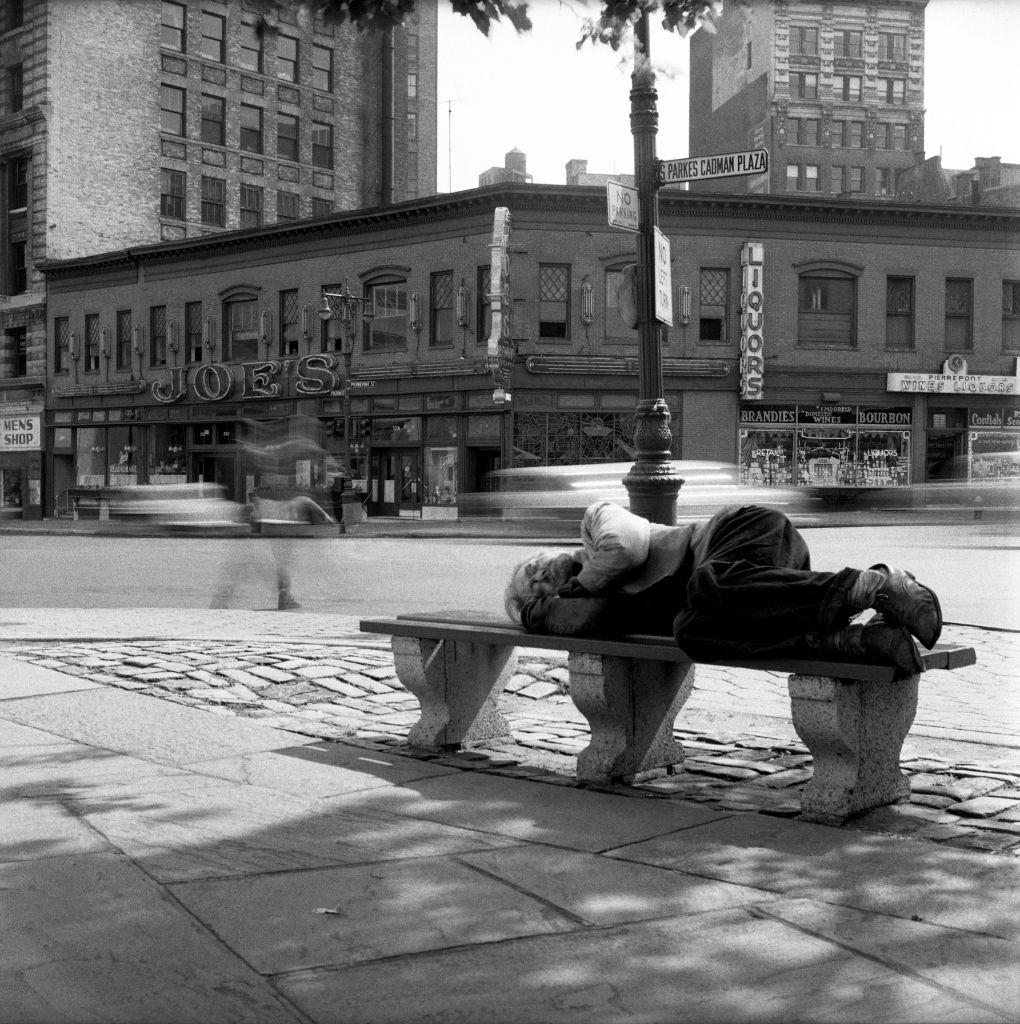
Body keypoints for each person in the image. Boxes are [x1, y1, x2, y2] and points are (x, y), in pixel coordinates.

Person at [505, 500, 942, 676]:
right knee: (690, 629)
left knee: (707, 582)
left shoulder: (595, 524)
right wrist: (538, 613)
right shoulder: (598, 603)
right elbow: (592, 618)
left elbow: (626, 548)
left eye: (534, 569)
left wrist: (575, 585)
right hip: (767, 589)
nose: (542, 576)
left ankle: (875, 587)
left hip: (745, 531)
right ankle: (854, 640)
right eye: (536, 588)